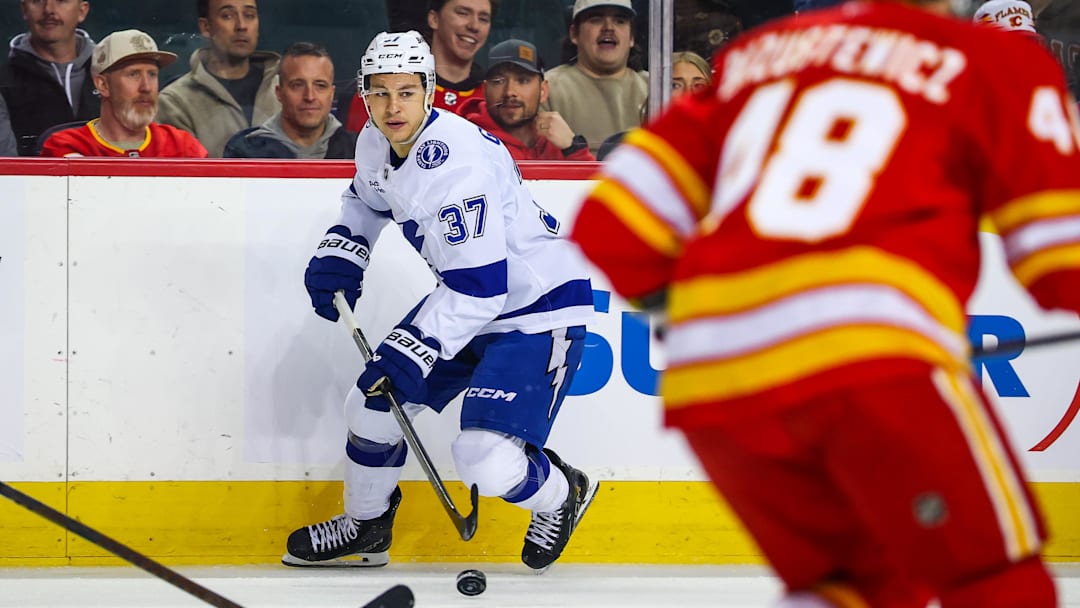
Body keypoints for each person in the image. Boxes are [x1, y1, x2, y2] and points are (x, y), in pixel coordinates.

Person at [572, 0, 1078, 605]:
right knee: (991, 575)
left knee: (858, 587)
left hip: (714, 383)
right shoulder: (995, 60)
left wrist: (726, 316)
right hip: (870, 363)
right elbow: (1059, 256)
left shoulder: (760, 56)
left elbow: (613, 222)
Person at [284, 31, 598, 572]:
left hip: (535, 309)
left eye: (406, 92)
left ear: (429, 91)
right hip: (469, 297)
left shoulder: (456, 166)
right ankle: (366, 525)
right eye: (379, 93)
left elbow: (482, 289)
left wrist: (412, 351)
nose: (392, 106)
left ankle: (559, 492)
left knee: (485, 462)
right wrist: (347, 247)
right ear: (363, 94)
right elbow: (366, 197)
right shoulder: (375, 140)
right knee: (372, 406)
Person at [39, 30, 207, 158]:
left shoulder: (182, 146)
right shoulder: (68, 147)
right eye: (133, 74)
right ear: (103, 85)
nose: (146, 87)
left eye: (152, 74)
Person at [334, 0, 495, 133]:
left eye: (483, 18)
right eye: (463, 13)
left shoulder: (494, 99)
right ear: (434, 19)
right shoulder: (376, 92)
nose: (474, 26)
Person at [157, 0, 281, 157]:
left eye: (249, 15)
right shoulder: (175, 102)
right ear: (205, 27)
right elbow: (184, 176)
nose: (241, 25)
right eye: (228, 16)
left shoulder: (286, 91)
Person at [459, 38, 594, 161]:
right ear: (485, 90)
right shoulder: (466, 141)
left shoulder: (558, 143)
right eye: (499, 81)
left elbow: (597, 188)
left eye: (523, 80)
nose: (510, 92)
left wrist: (573, 149)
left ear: (543, 91)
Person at [542, 0, 648, 155]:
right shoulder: (546, 89)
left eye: (619, 21)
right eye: (596, 19)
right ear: (574, 34)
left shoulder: (656, 88)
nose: (609, 28)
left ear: (632, 37)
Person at [223, 42, 356, 159]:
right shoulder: (244, 152)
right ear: (279, 93)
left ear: (331, 93)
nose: (310, 96)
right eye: (297, 85)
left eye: (320, 85)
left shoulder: (359, 151)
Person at [0, 0, 98, 157]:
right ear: (24, 9)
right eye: (38, 1)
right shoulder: (4, 83)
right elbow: (7, 170)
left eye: (61, 1)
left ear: (82, 10)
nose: (49, 10)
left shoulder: (112, 75)